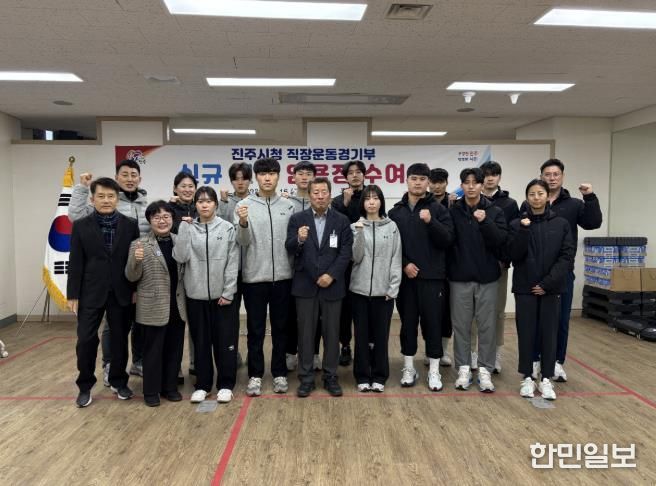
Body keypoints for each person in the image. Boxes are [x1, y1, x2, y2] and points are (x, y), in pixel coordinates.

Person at [69, 159, 149, 380]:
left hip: (132, 276)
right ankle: (109, 365)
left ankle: (136, 363)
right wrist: (82, 188)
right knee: (106, 330)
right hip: (100, 283)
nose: (130, 179)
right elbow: (75, 216)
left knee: (135, 324)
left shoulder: (144, 205)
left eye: (134, 175)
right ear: (117, 178)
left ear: (139, 178)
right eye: (125, 174)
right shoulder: (100, 205)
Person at [527, 158, 602, 382]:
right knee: (535, 320)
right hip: (535, 273)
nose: (551, 178)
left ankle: (557, 362)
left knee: (560, 321)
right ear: (541, 176)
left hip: (562, 273)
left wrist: (590, 197)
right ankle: (535, 360)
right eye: (547, 174)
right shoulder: (531, 203)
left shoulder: (574, 204)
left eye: (556, 174)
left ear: (562, 177)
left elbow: (593, 223)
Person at [389, 163, 454, 391]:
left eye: (422, 179)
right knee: (407, 325)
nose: (418, 183)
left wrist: (431, 221)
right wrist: (405, 264)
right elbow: (391, 246)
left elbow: (447, 240)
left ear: (428, 182)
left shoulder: (438, 210)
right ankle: (408, 367)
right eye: (414, 178)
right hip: (406, 279)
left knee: (433, 324)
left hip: (433, 279)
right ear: (406, 180)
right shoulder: (395, 212)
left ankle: (434, 370)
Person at [286, 177, 353, 398]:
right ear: (309, 195)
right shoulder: (297, 219)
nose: (320, 196)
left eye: (324, 192)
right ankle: (306, 378)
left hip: (332, 286)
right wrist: (299, 239)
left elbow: (345, 252)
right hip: (305, 285)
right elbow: (289, 247)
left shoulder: (341, 220)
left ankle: (330, 376)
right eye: (316, 192)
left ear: (330, 194)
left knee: (332, 334)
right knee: (305, 335)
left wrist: (331, 275)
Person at [508, 180, 575, 400]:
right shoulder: (517, 224)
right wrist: (523, 230)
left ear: (547, 196)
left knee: (549, 333)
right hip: (525, 288)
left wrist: (547, 283)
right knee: (526, 333)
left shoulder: (561, 224)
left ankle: (546, 378)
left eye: (540, 193)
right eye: (532, 194)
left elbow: (566, 256)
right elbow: (514, 255)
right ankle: (527, 377)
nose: (536, 198)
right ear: (526, 197)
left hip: (551, 289)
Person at [173, 186, 240, 404]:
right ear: (195, 205)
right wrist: (184, 229)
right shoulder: (188, 227)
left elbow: (233, 262)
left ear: (215, 204)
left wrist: (228, 292)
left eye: (208, 201)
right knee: (200, 343)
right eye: (200, 201)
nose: (204, 205)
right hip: (196, 296)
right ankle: (203, 385)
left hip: (223, 297)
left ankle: (226, 385)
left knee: (225, 343)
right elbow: (180, 257)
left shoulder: (227, 228)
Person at [235, 157, 296, 396]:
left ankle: (279, 373)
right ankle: (255, 375)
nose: (267, 178)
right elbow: (242, 242)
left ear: (278, 176)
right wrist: (242, 223)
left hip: (283, 277)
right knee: (255, 330)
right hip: (254, 279)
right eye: (262, 174)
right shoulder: (244, 205)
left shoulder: (288, 206)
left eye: (272, 173)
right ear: (256, 178)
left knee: (281, 329)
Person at [448, 168, 507, 393]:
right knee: (461, 326)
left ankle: (485, 370)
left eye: (475, 182)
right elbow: (447, 241)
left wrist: (485, 222)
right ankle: (463, 368)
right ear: (461, 185)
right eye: (467, 182)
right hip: (459, 278)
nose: (471, 186)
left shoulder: (495, 211)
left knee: (487, 326)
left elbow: (500, 240)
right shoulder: (453, 211)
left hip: (488, 278)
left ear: (482, 185)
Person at [125, 201, 187, 407]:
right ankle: (151, 391)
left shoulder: (180, 241)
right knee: (152, 352)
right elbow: (131, 276)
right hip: (152, 307)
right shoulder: (140, 244)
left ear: (172, 219)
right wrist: (135, 260)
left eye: (166, 216)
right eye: (157, 217)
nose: (162, 221)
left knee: (174, 350)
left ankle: (170, 387)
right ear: (150, 221)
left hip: (177, 305)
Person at [350, 185, 402, 392]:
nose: (371, 202)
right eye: (367, 198)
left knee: (381, 336)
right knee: (361, 336)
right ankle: (362, 375)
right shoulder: (355, 226)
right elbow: (355, 257)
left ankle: (380, 375)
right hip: (359, 291)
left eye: (375, 198)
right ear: (362, 203)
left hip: (384, 293)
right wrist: (359, 233)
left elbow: (396, 258)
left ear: (381, 201)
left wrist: (393, 287)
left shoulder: (392, 227)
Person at [471, 160, 520, 374]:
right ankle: (473, 353)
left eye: (494, 174)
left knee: (497, 312)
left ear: (499, 177)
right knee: (473, 313)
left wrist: (505, 260)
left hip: (498, 266)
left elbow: (512, 235)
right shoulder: (470, 200)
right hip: (473, 266)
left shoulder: (509, 204)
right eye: (487, 174)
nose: (490, 178)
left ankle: (496, 354)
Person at [285, 161, 322, 372]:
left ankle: (314, 353)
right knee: (291, 315)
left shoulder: (321, 202)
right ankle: (291, 352)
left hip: (314, 271)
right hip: (290, 269)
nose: (305, 177)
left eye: (309, 173)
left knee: (316, 316)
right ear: (294, 178)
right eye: (300, 173)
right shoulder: (285, 203)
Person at [331, 160, 366, 366]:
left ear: (364, 175)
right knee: (344, 309)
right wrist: (345, 204)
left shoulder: (372, 197)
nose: (355, 175)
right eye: (350, 173)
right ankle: (345, 345)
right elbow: (336, 228)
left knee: (362, 308)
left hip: (365, 261)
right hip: (344, 262)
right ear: (345, 177)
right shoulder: (337, 201)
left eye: (358, 172)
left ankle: (365, 347)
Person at [428, 167, 457, 367]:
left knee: (446, 311)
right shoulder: (423, 202)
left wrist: (453, 207)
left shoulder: (454, 203)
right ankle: (430, 350)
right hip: (429, 265)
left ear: (447, 183)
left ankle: (444, 350)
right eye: (434, 182)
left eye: (441, 182)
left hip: (450, 266)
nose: (437, 186)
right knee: (429, 313)